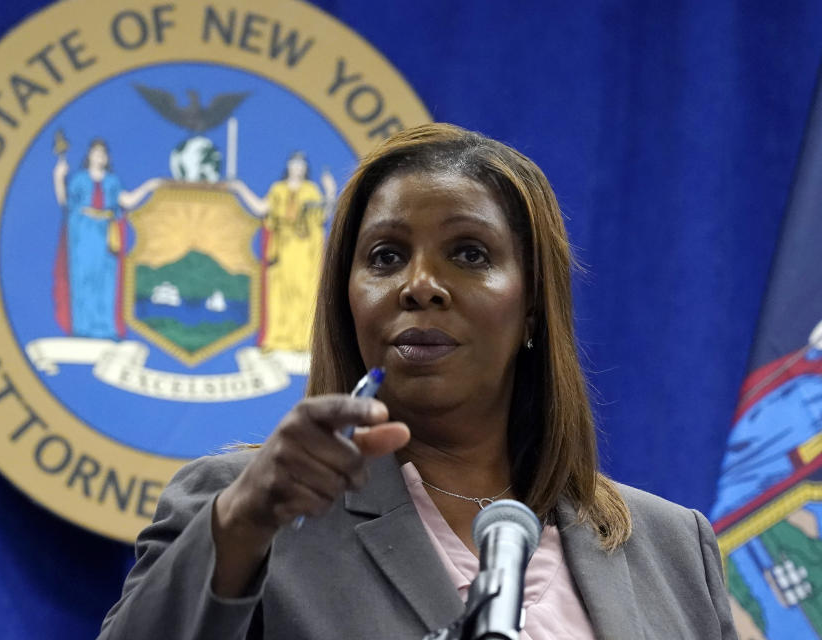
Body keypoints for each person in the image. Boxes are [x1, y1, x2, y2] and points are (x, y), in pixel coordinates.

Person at [97, 124, 737, 639]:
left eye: (469, 254)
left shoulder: (672, 550)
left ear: (534, 305)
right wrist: (241, 523)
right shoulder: (245, 512)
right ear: (348, 301)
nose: (420, 285)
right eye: (385, 257)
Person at [52, 139, 163, 339]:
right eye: (96, 153)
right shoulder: (79, 179)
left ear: (107, 158)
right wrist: (58, 178)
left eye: (103, 153)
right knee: (83, 278)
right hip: (82, 233)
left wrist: (149, 186)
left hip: (106, 233)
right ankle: (83, 328)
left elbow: (127, 201)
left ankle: (104, 328)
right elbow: (65, 203)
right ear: (89, 156)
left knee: (106, 280)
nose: (99, 157)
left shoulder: (113, 181)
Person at [228, 152, 337, 354]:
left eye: (301, 165)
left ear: (305, 168)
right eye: (294, 164)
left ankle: (302, 340)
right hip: (282, 249)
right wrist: (240, 189)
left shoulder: (310, 190)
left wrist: (330, 191)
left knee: (303, 291)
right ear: (289, 166)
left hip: (304, 251)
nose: (297, 168)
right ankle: (277, 338)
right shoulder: (278, 190)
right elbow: (261, 208)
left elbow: (324, 214)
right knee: (279, 292)